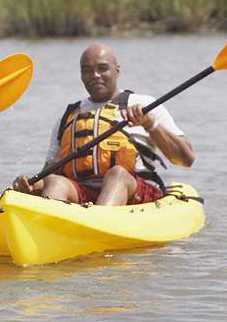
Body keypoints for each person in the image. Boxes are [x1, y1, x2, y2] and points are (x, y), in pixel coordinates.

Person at [12, 44, 196, 206]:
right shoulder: (68, 116)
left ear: (117, 70)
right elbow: (48, 172)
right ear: (81, 74)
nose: (95, 75)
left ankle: (97, 223)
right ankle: (48, 228)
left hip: (135, 192)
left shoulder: (144, 104)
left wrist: (151, 124)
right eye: (87, 70)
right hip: (82, 193)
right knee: (54, 181)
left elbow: (186, 159)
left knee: (117, 174)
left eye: (103, 68)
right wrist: (31, 186)